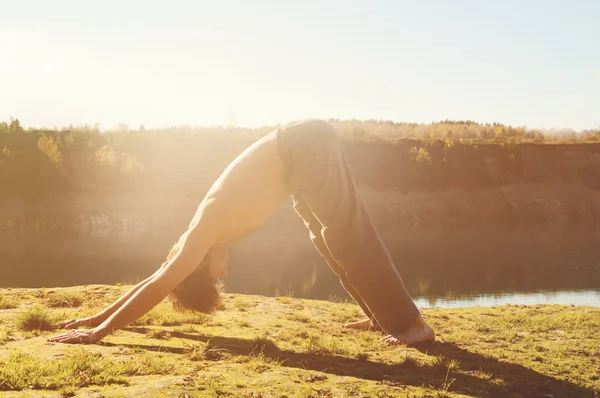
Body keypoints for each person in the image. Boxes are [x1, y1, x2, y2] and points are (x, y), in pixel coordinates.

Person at [48, 119, 435, 346]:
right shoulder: (195, 240)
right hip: (299, 160)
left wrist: (101, 331)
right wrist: (95, 316)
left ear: (197, 267)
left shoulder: (202, 233)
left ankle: (413, 326)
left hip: (303, 148)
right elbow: (156, 276)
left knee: (347, 234)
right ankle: (383, 316)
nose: (223, 273)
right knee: (328, 239)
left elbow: (162, 283)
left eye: (215, 278)